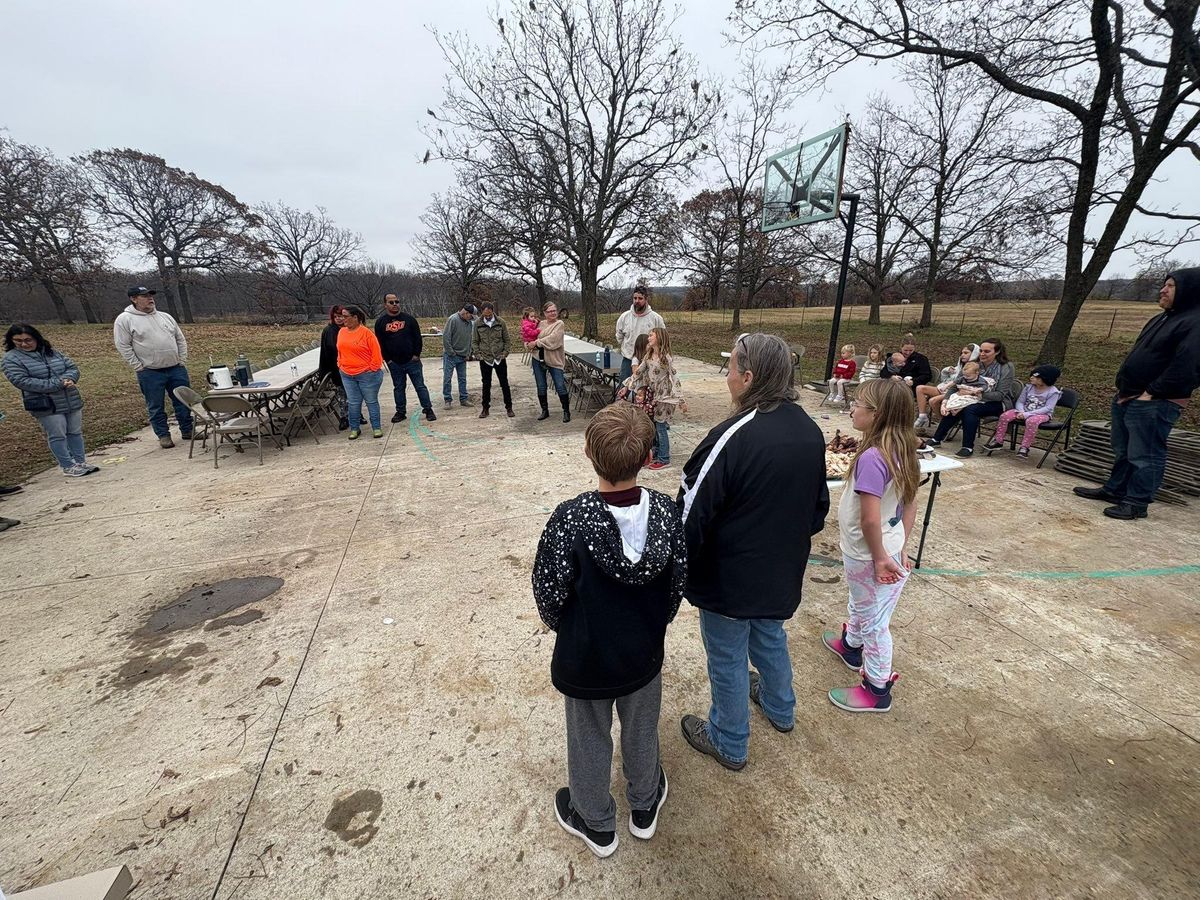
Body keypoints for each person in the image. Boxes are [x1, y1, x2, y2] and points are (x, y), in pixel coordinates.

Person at [533, 403, 687, 858]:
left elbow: (548, 590)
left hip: (586, 656)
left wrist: (572, 628)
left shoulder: (570, 518)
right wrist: (650, 625)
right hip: (642, 652)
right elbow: (677, 583)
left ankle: (595, 819)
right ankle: (643, 803)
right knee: (641, 727)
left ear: (587, 452)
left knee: (588, 735)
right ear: (645, 457)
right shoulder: (665, 512)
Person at [677, 333, 829, 770]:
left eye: (730, 369)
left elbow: (690, 512)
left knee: (727, 658)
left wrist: (680, 566)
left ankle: (730, 740)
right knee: (769, 637)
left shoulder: (730, 436)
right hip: (780, 573)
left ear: (747, 377)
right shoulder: (808, 428)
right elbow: (818, 507)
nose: (726, 377)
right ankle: (781, 708)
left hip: (731, 580)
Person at [822, 378, 919, 713]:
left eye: (858, 403)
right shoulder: (903, 449)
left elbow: (870, 520)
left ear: (876, 414)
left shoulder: (873, 458)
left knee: (875, 620)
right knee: (863, 602)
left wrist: (879, 558)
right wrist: (900, 545)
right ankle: (851, 644)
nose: (851, 407)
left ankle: (877, 688)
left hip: (869, 554)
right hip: (886, 550)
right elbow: (910, 504)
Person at [1074, 269, 1200, 519]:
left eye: (1171, 286)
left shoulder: (1195, 322)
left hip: (1156, 401)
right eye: (1164, 285)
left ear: (1190, 290)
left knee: (1146, 454)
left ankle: (1136, 502)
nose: (1163, 290)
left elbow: (1189, 366)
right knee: (1123, 449)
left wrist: (1152, 392)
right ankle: (1115, 489)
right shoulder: (1162, 318)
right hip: (1128, 395)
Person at [3, 325, 98, 478]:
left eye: (28, 340)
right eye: (18, 341)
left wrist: (70, 378)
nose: (24, 344)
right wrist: (57, 384)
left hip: (69, 398)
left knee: (74, 432)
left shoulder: (52, 352)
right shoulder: (11, 359)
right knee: (57, 434)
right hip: (44, 403)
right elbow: (21, 381)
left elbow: (72, 367)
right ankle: (67, 465)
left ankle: (80, 461)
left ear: (36, 338)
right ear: (11, 341)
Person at [113, 285, 193, 449]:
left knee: (183, 401)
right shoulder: (125, 319)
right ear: (134, 299)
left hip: (175, 368)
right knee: (156, 406)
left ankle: (188, 430)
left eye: (151, 295)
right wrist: (138, 366)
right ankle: (163, 435)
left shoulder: (165, 317)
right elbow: (123, 345)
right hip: (150, 372)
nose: (150, 299)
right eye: (144, 296)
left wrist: (182, 359)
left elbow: (180, 338)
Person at [926, 339, 1018, 458]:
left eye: (987, 351)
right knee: (955, 404)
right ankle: (936, 438)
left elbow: (1000, 394)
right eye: (981, 350)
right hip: (967, 398)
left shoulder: (1006, 367)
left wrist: (973, 393)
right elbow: (955, 386)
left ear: (997, 352)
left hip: (996, 402)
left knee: (969, 408)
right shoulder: (973, 364)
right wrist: (946, 400)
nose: (982, 354)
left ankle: (967, 447)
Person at [618, 327, 685, 470]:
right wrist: (627, 387)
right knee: (653, 426)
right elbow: (638, 373)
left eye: (651, 335)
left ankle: (664, 458)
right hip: (652, 396)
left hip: (663, 397)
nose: (648, 337)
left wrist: (681, 399)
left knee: (660, 427)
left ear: (659, 338)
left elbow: (675, 377)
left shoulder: (665, 358)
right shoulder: (648, 356)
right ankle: (655, 453)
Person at [375, 292, 436, 423]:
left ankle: (428, 409)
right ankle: (400, 412)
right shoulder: (380, 323)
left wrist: (416, 355)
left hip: (412, 361)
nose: (395, 304)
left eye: (397, 302)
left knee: (420, 386)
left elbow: (417, 338)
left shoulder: (409, 319)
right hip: (394, 363)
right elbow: (379, 343)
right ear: (385, 305)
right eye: (391, 302)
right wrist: (388, 360)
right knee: (398, 387)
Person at [985, 365, 1063, 460]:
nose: (1031, 378)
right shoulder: (1028, 388)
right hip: (1023, 411)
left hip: (1042, 415)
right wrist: (1020, 411)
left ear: (1046, 378)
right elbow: (1020, 401)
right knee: (1005, 416)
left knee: (1031, 421)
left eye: (1036, 376)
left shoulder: (1053, 392)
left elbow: (1048, 408)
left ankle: (1025, 447)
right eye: (1032, 375)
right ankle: (998, 441)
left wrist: (1027, 414)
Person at [336, 305, 385, 439]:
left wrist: (372, 368)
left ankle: (376, 427)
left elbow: (377, 354)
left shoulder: (366, 333)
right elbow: (340, 350)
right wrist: (340, 363)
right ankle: (355, 428)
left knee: (371, 401)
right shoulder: (341, 332)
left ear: (355, 317)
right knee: (353, 402)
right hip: (347, 374)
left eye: (345, 316)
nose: (342, 319)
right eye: (341, 316)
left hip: (366, 375)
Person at [524, 301, 571, 423]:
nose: (553, 313)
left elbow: (554, 340)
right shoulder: (540, 324)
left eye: (554, 310)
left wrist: (537, 342)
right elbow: (529, 335)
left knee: (560, 386)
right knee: (541, 386)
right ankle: (544, 410)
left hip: (554, 359)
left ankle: (566, 411)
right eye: (549, 311)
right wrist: (527, 343)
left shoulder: (559, 324)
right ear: (545, 313)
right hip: (537, 358)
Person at [915, 343, 980, 429]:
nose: (962, 355)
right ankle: (922, 416)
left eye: (966, 353)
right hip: (943, 389)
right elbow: (944, 379)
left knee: (933, 401)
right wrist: (946, 371)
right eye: (961, 353)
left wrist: (949, 387)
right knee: (920, 388)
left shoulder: (974, 369)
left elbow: (960, 384)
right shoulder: (958, 367)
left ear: (974, 354)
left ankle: (945, 424)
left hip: (955, 393)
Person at [471, 301, 514, 418]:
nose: (488, 317)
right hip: (485, 359)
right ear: (482, 312)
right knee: (486, 384)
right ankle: (485, 408)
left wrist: (505, 353)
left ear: (492, 311)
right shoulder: (477, 324)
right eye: (486, 315)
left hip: (499, 358)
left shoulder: (501, 322)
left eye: (490, 314)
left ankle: (509, 407)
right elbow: (474, 341)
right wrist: (478, 355)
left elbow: (507, 340)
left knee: (504, 383)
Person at [615, 287, 666, 382]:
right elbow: (619, 336)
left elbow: (662, 337)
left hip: (648, 360)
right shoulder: (624, 317)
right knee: (623, 388)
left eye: (640, 298)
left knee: (641, 391)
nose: (637, 301)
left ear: (646, 299)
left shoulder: (656, 318)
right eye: (635, 298)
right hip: (628, 359)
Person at [442, 303, 477, 408]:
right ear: (466, 313)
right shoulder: (452, 319)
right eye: (471, 316)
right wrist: (451, 352)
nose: (472, 319)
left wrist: (469, 353)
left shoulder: (470, 323)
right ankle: (447, 400)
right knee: (447, 378)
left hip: (463, 356)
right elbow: (446, 337)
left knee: (462, 378)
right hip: (451, 355)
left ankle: (464, 399)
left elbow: (470, 338)